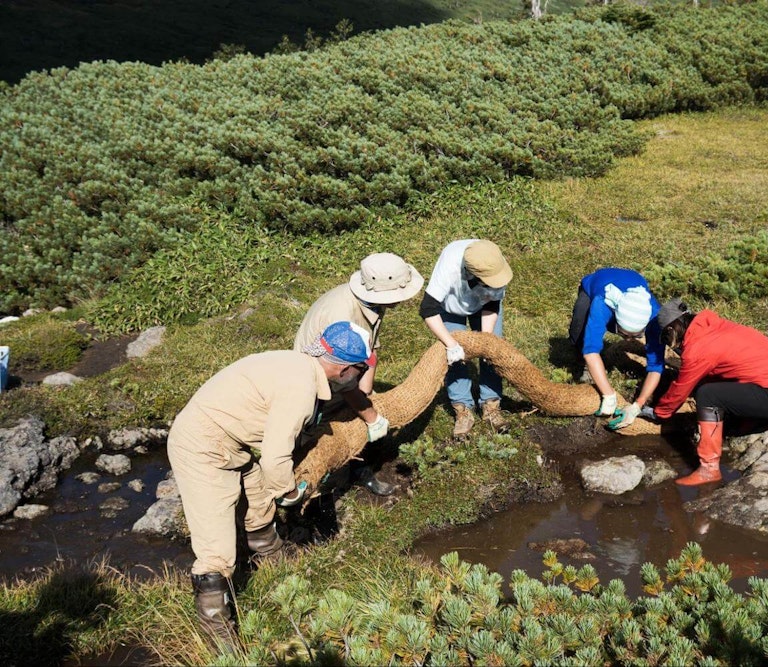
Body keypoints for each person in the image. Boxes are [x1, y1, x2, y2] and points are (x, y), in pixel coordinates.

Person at [167, 321, 378, 647]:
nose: (360, 375)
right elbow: (275, 459)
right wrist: (291, 493)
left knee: (258, 495)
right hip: (202, 447)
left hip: (228, 441)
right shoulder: (301, 389)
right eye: (360, 368)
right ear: (343, 367)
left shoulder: (302, 366)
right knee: (216, 551)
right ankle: (218, 636)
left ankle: (272, 563)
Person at [639, 299, 768, 485]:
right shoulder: (713, 327)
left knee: (708, 395)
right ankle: (746, 422)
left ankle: (709, 469)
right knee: (708, 384)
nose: (668, 344)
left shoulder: (698, 348)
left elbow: (680, 388)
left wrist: (659, 413)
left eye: (664, 339)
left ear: (671, 330)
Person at [294, 252, 422, 492]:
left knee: (357, 408)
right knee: (317, 433)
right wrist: (370, 415)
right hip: (319, 380)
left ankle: (357, 469)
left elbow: (368, 346)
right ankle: (318, 488)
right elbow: (343, 380)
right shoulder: (341, 316)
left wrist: (367, 388)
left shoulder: (371, 301)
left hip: (344, 373)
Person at [420, 239, 512, 436]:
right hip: (451, 308)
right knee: (455, 359)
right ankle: (463, 409)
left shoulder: (494, 263)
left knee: (492, 351)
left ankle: (491, 405)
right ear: (472, 274)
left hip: (483, 307)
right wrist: (451, 344)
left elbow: (492, 304)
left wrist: (485, 340)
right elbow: (427, 309)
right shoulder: (450, 266)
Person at [566, 268, 664, 426]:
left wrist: (638, 404)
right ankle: (583, 365)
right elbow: (591, 352)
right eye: (624, 335)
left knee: (659, 342)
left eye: (636, 336)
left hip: (633, 280)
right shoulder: (601, 303)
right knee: (578, 335)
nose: (628, 340)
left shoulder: (654, 317)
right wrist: (609, 395)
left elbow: (656, 367)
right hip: (595, 283)